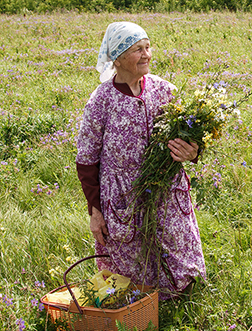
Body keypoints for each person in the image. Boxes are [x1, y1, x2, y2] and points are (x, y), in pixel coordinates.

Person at [76, 21, 205, 298]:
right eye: (138, 49)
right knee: (131, 272)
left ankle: (179, 301)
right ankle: (138, 306)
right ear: (118, 58)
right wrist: (95, 211)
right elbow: (86, 160)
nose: (147, 54)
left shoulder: (165, 90)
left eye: (147, 47)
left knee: (177, 252)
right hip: (123, 198)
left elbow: (189, 136)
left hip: (166, 190)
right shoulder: (101, 101)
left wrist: (193, 152)